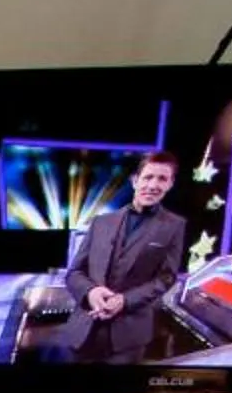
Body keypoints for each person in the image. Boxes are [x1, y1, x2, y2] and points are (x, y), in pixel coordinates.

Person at [61, 151, 187, 362]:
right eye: (148, 177)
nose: (153, 185)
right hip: (83, 331)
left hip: (129, 339)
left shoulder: (174, 226)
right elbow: (74, 272)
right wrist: (91, 292)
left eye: (162, 179)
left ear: (170, 184)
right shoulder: (101, 222)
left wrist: (125, 301)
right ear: (135, 180)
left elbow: (166, 277)